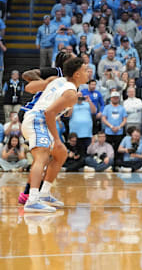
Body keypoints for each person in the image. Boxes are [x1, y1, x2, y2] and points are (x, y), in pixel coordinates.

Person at [21, 57, 90, 212]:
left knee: (61, 154)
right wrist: (57, 139)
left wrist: (45, 86)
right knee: (42, 157)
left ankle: (44, 193)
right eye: (85, 70)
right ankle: (32, 200)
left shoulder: (57, 80)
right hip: (38, 120)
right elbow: (49, 112)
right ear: (77, 74)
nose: (88, 73)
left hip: (37, 118)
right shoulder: (71, 94)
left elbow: (29, 88)